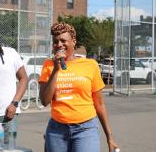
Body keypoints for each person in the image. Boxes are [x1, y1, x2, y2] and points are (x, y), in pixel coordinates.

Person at [39, 22, 119, 152]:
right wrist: (55, 70)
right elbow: (44, 101)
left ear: (73, 42)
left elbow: (99, 104)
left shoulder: (90, 65)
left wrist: (109, 137)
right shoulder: (48, 65)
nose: (59, 44)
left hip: (85, 129)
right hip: (56, 131)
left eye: (63, 40)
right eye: (55, 41)